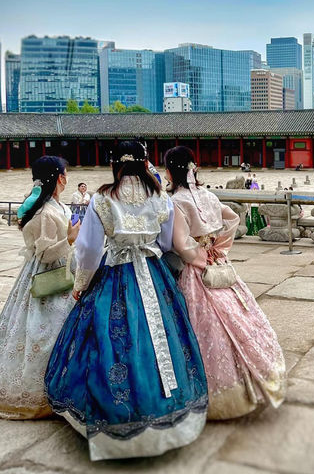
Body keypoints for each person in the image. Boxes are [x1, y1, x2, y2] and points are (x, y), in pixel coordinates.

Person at [45, 141, 208, 461]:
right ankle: (168, 412)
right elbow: (164, 243)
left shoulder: (103, 199)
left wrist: (81, 283)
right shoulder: (160, 197)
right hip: (154, 274)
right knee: (163, 339)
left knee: (113, 340)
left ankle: (118, 422)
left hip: (115, 273)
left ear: (114, 165)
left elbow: (90, 250)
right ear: (145, 163)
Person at [166, 146, 286, 419]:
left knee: (204, 323)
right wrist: (218, 248)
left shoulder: (176, 201)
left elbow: (181, 245)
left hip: (196, 269)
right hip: (217, 262)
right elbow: (232, 218)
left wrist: (197, 256)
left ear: (171, 171)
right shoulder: (208, 195)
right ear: (194, 168)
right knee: (237, 314)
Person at [0, 157, 79, 419]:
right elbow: (45, 253)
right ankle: (39, 395)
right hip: (48, 275)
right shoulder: (45, 211)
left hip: (66, 267)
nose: (67, 177)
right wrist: (70, 237)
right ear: (59, 177)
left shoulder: (55, 205)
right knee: (42, 331)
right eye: (65, 173)